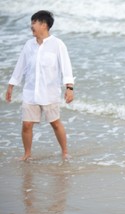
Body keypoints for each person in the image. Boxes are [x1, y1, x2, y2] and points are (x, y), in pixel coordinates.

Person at [5, 10, 74, 160]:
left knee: (55, 123)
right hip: (30, 92)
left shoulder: (57, 44)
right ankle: (27, 154)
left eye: (34, 22)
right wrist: (11, 85)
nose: (32, 26)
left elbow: (66, 67)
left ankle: (64, 152)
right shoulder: (29, 45)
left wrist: (69, 88)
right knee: (27, 125)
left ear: (44, 25)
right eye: (32, 22)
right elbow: (20, 65)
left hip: (49, 92)